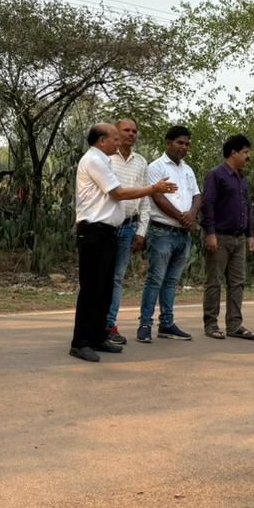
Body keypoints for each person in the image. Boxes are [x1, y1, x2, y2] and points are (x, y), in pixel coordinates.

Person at [72, 123, 176, 362]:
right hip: (94, 231)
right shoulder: (94, 160)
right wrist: (153, 188)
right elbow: (117, 193)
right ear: (101, 141)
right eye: (114, 138)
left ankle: (98, 336)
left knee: (105, 287)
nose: (119, 142)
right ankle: (80, 342)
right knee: (91, 289)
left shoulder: (104, 160)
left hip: (109, 232)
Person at [137, 125, 201, 343]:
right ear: (168, 143)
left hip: (183, 234)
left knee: (172, 281)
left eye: (187, 144)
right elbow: (157, 197)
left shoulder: (188, 170)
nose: (184, 147)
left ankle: (167, 324)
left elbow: (197, 196)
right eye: (179, 143)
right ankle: (145, 324)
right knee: (155, 279)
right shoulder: (155, 167)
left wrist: (191, 215)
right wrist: (181, 217)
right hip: (162, 231)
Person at [201, 134, 254, 340]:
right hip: (220, 237)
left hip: (239, 239)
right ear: (233, 153)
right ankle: (211, 323)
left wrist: (250, 235)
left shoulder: (243, 179)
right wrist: (210, 233)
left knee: (237, 283)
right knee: (214, 282)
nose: (248, 156)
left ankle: (234, 325)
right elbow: (207, 204)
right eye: (245, 152)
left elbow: (248, 208)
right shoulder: (216, 175)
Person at [105, 118, 150, 346]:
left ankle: (110, 324)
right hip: (106, 227)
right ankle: (95, 324)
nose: (131, 134)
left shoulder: (141, 162)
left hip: (129, 227)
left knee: (117, 278)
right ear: (116, 132)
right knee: (101, 277)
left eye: (134, 130)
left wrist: (141, 230)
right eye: (126, 130)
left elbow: (145, 198)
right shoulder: (105, 159)